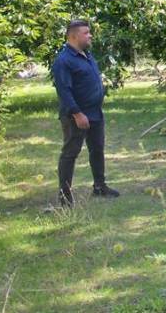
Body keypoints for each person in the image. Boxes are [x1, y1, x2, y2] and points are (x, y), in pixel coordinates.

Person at [52, 19, 119, 206]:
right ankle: (64, 197)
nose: (90, 35)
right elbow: (64, 91)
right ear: (73, 36)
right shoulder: (64, 61)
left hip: (95, 113)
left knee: (97, 150)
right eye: (86, 32)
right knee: (70, 154)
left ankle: (100, 186)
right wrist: (77, 113)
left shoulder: (87, 55)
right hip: (77, 116)